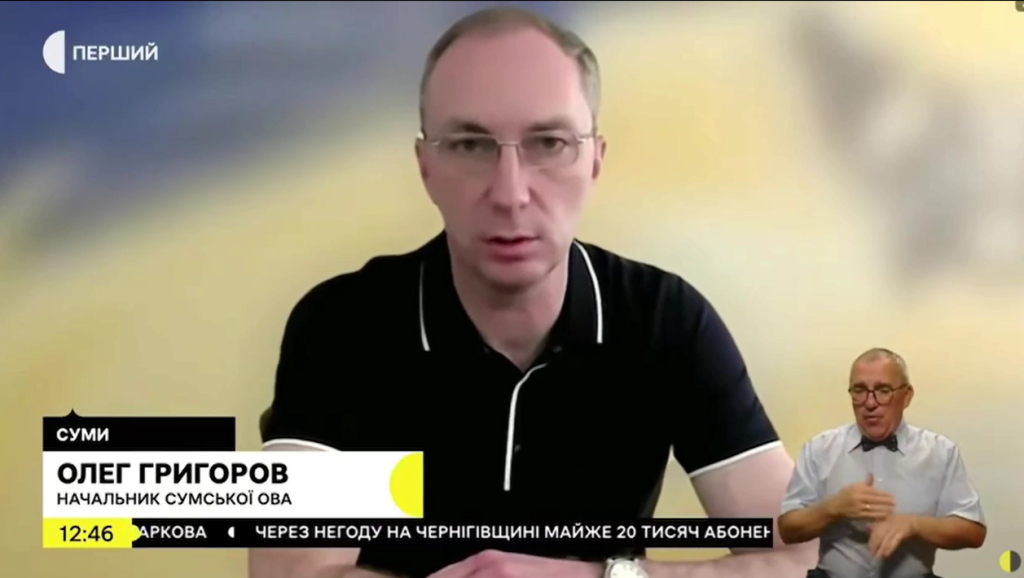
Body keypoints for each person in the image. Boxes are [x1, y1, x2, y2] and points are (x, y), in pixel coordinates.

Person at [250, 6, 817, 578]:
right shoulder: (344, 323)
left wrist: (600, 576)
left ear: (594, 160)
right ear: (426, 167)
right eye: (471, 145)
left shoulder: (663, 320)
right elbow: (289, 571)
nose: (511, 193)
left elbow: (812, 556)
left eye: (549, 142)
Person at [777, 348, 987, 578]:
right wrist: (833, 508)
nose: (870, 403)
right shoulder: (819, 450)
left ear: (906, 396)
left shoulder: (941, 452)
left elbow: (973, 532)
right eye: (859, 390)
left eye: (883, 390)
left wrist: (914, 524)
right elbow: (787, 529)